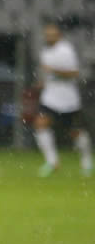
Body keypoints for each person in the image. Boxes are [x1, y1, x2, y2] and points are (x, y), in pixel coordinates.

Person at [33, 21, 91, 177]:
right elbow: (49, 75)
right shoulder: (45, 51)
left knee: (76, 132)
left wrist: (54, 71)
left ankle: (86, 161)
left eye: (52, 35)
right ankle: (52, 162)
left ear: (59, 35)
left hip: (68, 98)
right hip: (50, 96)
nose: (49, 37)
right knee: (40, 124)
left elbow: (74, 73)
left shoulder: (66, 51)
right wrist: (43, 83)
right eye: (47, 35)